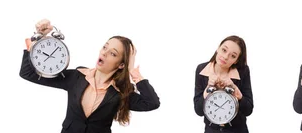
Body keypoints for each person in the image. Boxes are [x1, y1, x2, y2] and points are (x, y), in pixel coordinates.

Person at [19, 19, 161, 133]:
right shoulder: (76, 77)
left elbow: (152, 103)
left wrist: (132, 71)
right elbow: (28, 73)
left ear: (121, 65)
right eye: (105, 47)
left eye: (113, 53)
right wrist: (38, 39)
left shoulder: (120, 92)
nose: (104, 53)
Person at [193, 35, 254, 133]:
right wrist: (207, 90)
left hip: (238, 130)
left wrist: (239, 95)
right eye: (224, 50)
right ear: (218, 48)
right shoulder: (201, 70)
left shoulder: (243, 71)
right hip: (211, 130)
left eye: (233, 56)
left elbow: (248, 110)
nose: (225, 57)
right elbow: (198, 111)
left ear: (236, 60)